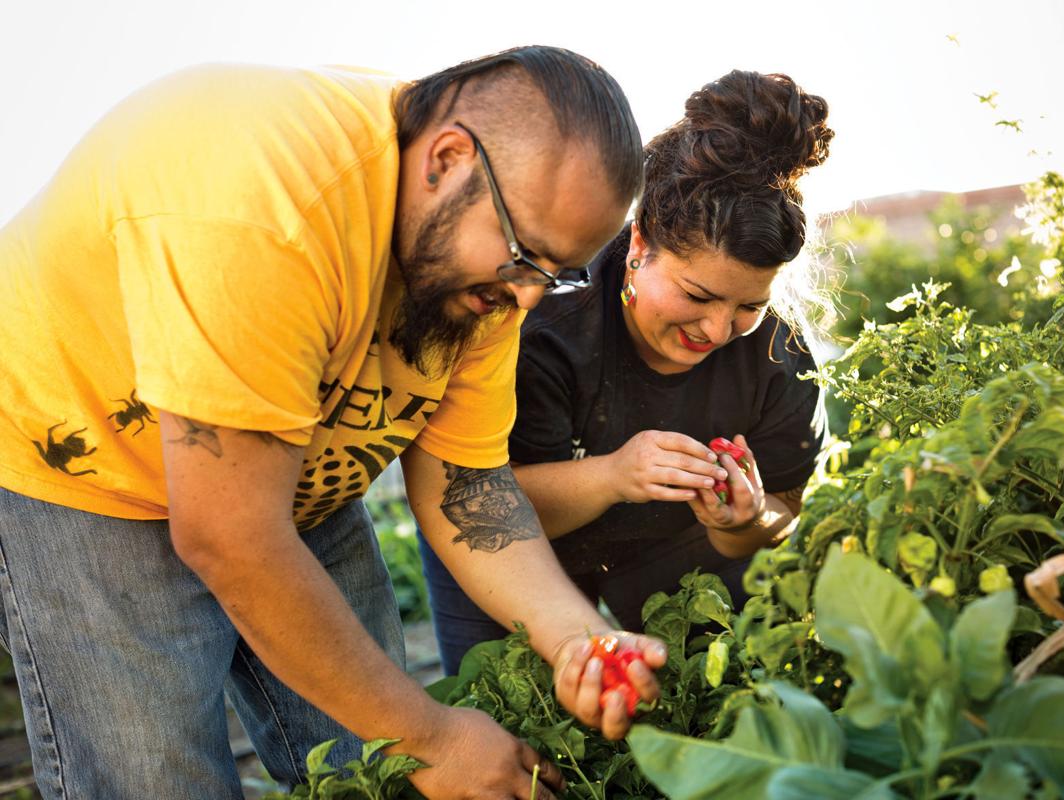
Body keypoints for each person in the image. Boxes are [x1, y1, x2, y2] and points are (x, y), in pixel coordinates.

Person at [0, 47, 668, 800]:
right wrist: (430, 739)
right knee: (157, 780)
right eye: (524, 259)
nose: (527, 301)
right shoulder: (268, 204)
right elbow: (230, 536)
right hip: (87, 473)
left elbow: (468, 487)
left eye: (556, 274)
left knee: (367, 760)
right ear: (446, 159)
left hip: (291, 476)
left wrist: (580, 639)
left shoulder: (486, 270)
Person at [420, 70, 833, 675]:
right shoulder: (541, 321)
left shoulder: (779, 354)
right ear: (639, 245)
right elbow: (475, 498)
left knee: (716, 684)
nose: (717, 331)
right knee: (516, 720)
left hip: (669, 542)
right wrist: (615, 474)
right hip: (505, 544)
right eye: (697, 295)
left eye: (748, 306)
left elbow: (783, 511)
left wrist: (743, 519)